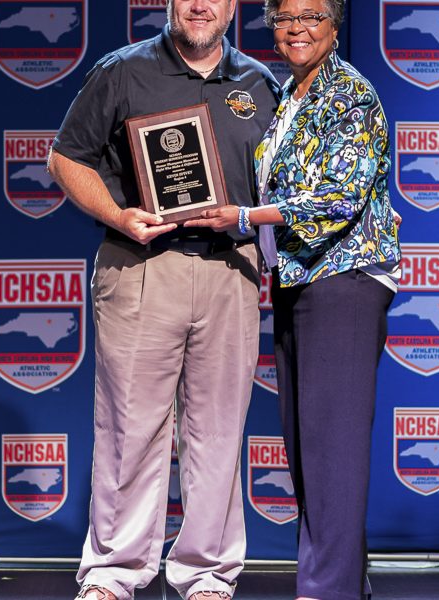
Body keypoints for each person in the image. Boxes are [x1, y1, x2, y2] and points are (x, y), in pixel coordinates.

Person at [46, 1, 280, 599]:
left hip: (231, 270)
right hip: (141, 266)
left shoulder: (260, 83)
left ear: (234, 5)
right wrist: (117, 214)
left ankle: (207, 573)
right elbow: (65, 158)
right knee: (129, 426)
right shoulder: (123, 71)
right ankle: (113, 573)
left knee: (219, 431)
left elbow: (281, 188)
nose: (201, 5)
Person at [184, 1, 401, 598]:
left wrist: (244, 217)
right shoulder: (286, 96)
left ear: (335, 24)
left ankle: (325, 591)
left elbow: (339, 198)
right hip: (298, 279)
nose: (296, 28)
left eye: (312, 15)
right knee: (309, 448)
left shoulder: (351, 94)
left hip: (344, 280)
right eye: (284, 17)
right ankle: (341, 586)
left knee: (332, 447)